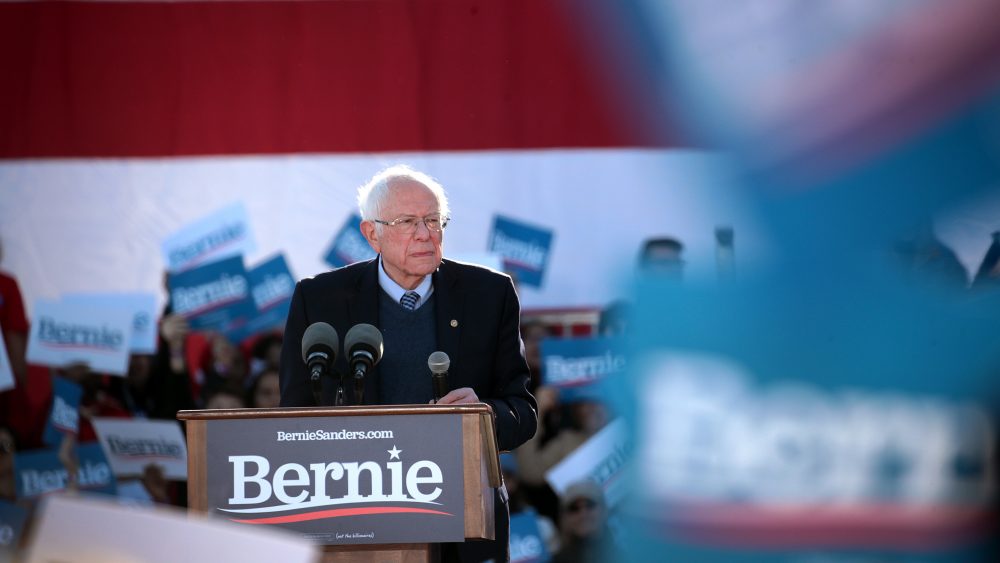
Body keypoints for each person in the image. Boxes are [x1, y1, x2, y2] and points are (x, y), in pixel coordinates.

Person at [279, 164, 537, 563]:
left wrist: (483, 416)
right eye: (407, 222)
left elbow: (522, 412)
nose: (425, 233)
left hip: (463, 517)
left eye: (434, 220)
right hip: (355, 515)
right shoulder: (321, 300)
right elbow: (292, 416)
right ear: (371, 234)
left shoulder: (490, 294)